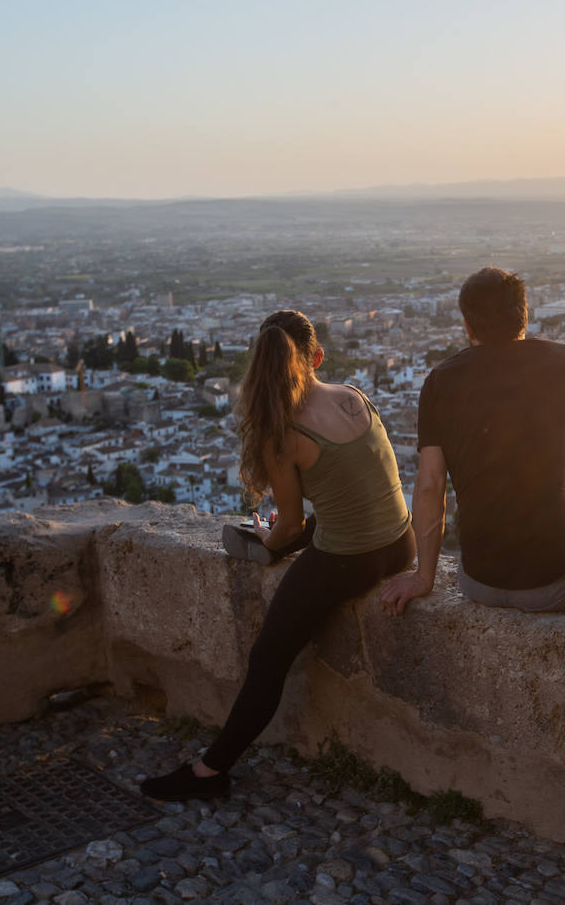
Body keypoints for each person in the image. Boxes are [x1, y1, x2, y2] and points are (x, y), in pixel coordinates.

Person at [141, 310, 413, 801]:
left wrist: (267, 543)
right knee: (317, 541)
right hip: (400, 544)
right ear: (318, 357)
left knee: (268, 657)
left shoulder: (282, 433)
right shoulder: (355, 396)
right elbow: (352, 494)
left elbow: (288, 525)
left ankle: (210, 771)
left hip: (351, 556)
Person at [380, 267, 565, 618]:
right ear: (524, 314)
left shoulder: (438, 381)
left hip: (478, 581)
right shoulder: (564, 360)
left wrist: (424, 577)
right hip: (559, 580)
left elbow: (429, 485)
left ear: (468, 326)